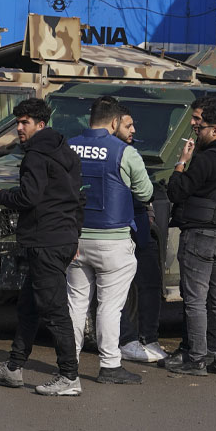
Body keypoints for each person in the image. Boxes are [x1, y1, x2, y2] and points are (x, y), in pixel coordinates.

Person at [0, 98, 85, 396]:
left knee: (54, 311)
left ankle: (69, 376)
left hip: (46, 241)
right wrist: (73, 237)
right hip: (61, 238)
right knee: (28, 306)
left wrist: (2, 196)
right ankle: (14, 367)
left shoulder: (36, 156)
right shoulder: (66, 152)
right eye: (17, 122)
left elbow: (30, 197)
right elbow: (79, 199)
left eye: (25, 122)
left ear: (41, 125)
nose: (19, 128)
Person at [66, 96, 152, 384]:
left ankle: (69, 363)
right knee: (109, 306)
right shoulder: (124, 152)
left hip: (75, 239)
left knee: (76, 304)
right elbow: (145, 193)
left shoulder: (68, 147)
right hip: (113, 242)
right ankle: (110, 365)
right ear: (115, 122)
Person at [162, 97, 216, 376]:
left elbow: (177, 191)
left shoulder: (208, 158)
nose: (195, 130)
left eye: (200, 127)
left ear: (214, 130)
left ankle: (196, 359)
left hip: (200, 236)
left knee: (196, 300)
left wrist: (181, 163)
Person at [115, 109, 169, 364]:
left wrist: (146, 210)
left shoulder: (131, 151)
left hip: (139, 226)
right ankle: (126, 340)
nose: (133, 130)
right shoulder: (114, 152)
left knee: (149, 281)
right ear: (113, 124)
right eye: (128, 125)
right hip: (119, 229)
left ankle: (148, 338)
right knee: (118, 289)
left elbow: (144, 190)